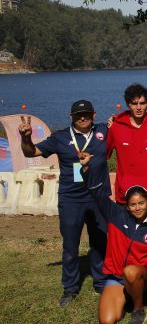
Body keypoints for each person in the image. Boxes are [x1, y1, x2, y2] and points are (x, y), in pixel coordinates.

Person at [18, 101, 108, 306]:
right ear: (71, 117)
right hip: (71, 199)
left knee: (101, 242)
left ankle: (101, 281)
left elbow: (130, 122)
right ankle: (70, 287)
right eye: (78, 115)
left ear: (94, 114)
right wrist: (26, 137)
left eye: (86, 114)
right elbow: (30, 152)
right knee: (70, 246)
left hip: (98, 196)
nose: (83, 118)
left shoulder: (104, 130)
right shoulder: (60, 137)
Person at [79, 151, 147, 324]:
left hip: (143, 275)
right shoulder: (116, 215)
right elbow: (97, 193)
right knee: (107, 321)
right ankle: (125, 298)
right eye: (133, 204)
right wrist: (85, 169)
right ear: (127, 206)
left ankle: (138, 309)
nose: (137, 208)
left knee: (131, 271)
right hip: (116, 277)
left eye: (141, 203)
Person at [107, 84, 147, 221]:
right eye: (134, 104)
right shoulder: (115, 128)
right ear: (128, 104)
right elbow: (102, 154)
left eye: (142, 103)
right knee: (127, 240)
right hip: (126, 197)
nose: (139, 107)